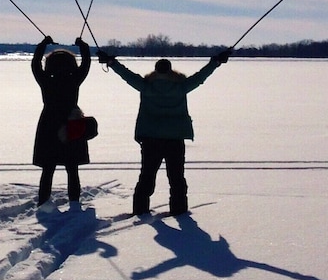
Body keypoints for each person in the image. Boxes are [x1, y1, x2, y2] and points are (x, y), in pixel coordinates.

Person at [97, 48, 231, 216]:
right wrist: (216, 62)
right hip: (174, 139)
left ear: (155, 70)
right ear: (170, 70)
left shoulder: (146, 86)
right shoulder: (181, 87)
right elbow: (201, 77)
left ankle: (140, 209)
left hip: (150, 139)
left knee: (146, 175)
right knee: (176, 178)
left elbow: (127, 75)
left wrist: (112, 63)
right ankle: (179, 210)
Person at [32, 36, 92, 208]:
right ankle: (74, 203)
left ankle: (43, 202)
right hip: (71, 122)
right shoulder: (74, 79)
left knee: (48, 168)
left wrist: (43, 44)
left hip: (48, 123)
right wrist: (83, 46)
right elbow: (87, 63)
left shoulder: (46, 80)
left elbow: (35, 63)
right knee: (72, 168)